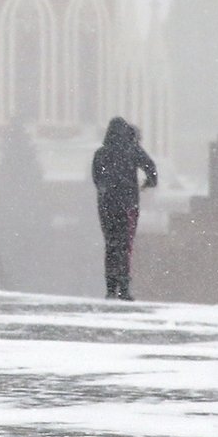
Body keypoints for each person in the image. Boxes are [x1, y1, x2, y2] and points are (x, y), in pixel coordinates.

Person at [89, 117, 158, 301]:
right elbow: (151, 167)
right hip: (128, 205)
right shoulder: (132, 150)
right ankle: (124, 289)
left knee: (111, 245)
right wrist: (149, 183)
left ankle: (110, 289)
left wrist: (107, 192)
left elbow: (97, 179)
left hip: (106, 206)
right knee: (125, 246)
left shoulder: (101, 153)